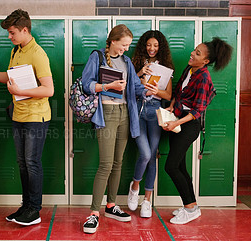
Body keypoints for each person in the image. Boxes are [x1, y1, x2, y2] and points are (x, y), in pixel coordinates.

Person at [0, 9, 54, 226]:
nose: (9, 37)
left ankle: (34, 210)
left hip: (36, 116)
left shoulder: (38, 54)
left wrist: (22, 91)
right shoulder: (16, 51)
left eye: (12, 33)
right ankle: (26, 205)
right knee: (22, 163)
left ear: (25, 29)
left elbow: (49, 90)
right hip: (18, 115)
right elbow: (8, 78)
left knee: (32, 162)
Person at [81, 24, 159, 234]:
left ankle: (111, 205)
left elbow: (135, 88)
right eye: (124, 44)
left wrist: (148, 91)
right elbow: (85, 85)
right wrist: (108, 86)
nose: (126, 49)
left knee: (118, 163)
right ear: (113, 41)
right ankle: (93, 214)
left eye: (128, 45)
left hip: (125, 113)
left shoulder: (126, 62)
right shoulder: (96, 57)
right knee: (105, 164)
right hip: (106, 114)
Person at [163, 37, 232, 224]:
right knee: (181, 166)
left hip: (189, 125)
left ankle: (190, 208)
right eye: (194, 50)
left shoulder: (203, 77)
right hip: (178, 119)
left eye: (198, 53)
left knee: (170, 166)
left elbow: (197, 110)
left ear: (206, 62)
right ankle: (192, 205)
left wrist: (177, 123)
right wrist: (171, 106)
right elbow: (178, 91)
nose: (192, 54)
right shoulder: (190, 69)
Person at [127, 30, 174, 218]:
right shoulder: (135, 63)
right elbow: (128, 86)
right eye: (148, 45)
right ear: (143, 46)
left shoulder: (165, 68)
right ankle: (135, 186)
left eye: (155, 45)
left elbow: (169, 95)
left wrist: (156, 90)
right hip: (138, 110)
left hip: (155, 112)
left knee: (152, 155)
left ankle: (147, 201)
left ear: (160, 47)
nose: (152, 49)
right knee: (145, 154)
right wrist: (139, 72)